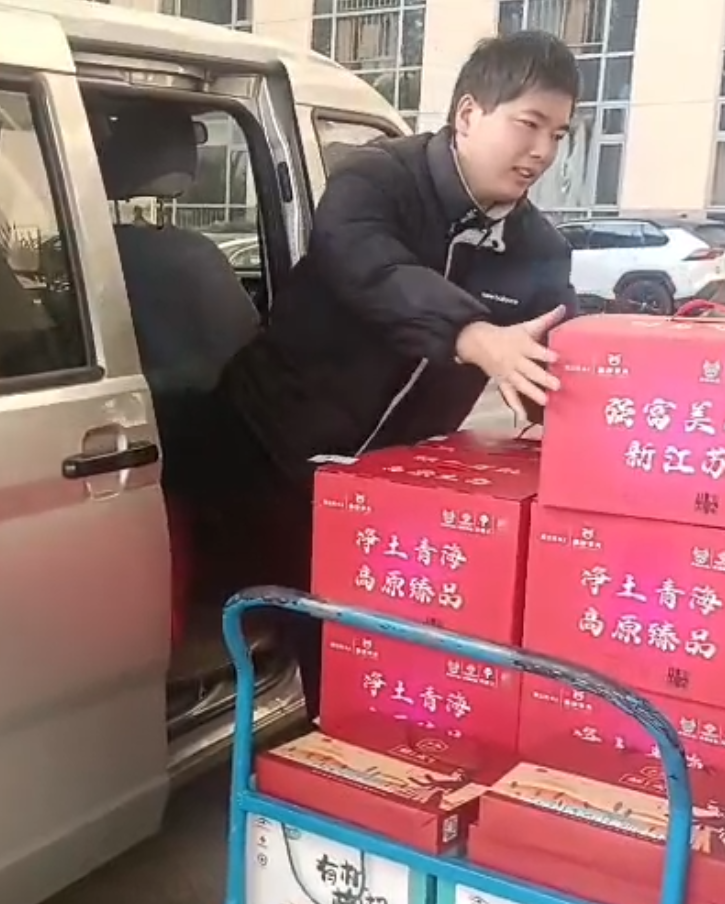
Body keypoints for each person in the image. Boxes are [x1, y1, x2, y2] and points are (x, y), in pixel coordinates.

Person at [212, 30, 583, 720]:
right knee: (285, 620)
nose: (542, 151)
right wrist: (474, 336)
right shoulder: (377, 179)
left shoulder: (537, 249)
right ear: (468, 113)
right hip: (269, 449)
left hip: (387, 483)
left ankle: (347, 753)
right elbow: (369, 267)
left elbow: (559, 361)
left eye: (558, 134)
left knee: (367, 641)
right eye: (528, 124)